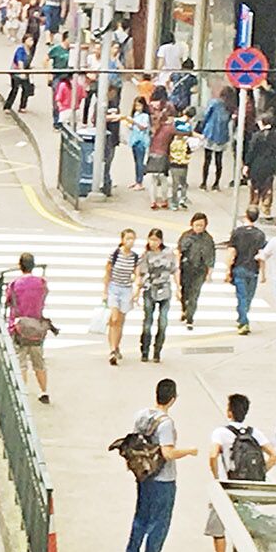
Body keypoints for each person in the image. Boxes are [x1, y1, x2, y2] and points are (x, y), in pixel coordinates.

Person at [123, 379, 195, 552]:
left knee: (141, 516)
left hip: (144, 474)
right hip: (163, 478)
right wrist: (189, 451)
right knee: (160, 521)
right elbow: (168, 453)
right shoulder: (166, 423)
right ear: (173, 399)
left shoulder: (142, 415)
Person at [206, 394, 275, 552]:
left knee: (218, 526)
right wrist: (261, 473)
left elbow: (213, 455)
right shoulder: (254, 433)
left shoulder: (220, 432)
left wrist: (216, 475)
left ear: (229, 412)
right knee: (247, 527)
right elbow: (274, 455)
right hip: (248, 487)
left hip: (227, 484)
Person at [4, 253, 53, 404]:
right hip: (36, 326)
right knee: (39, 361)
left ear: (20, 266)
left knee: (21, 362)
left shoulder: (15, 284)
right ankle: (44, 391)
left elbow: (8, 301)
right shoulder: (41, 283)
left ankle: (22, 395)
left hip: (19, 327)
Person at [136, 228, 176, 363]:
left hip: (165, 290)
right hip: (149, 289)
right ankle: (145, 350)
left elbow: (174, 270)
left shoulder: (169, 253)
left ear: (161, 240)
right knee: (148, 321)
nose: (153, 243)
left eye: (156, 240)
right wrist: (139, 286)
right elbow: (141, 273)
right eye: (151, 239)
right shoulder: (146, 255)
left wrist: (179, 288)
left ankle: (157, 350)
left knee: (163, 322)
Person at [226, 208, 268, 335]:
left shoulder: (237, 233)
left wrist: (228, 270)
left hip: (239, 267)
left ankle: (243, 321)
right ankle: (243, 318)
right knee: (248, 296)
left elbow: (232, 252)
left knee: (242, 296)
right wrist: (263, 273)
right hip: (253, 269)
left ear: (246, 216)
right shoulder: (260, 235)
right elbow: (261, 255)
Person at [104, 228, 141, 367]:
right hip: (114, 288)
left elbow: (137, 275)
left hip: (126, 289)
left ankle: (116, 346)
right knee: (114, 319)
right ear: (122, 240)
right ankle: (112, 350)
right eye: (128, 238)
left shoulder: (135, 257)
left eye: (132, 239)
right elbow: (107, 273)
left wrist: (137, 289)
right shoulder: (114, 255)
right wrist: (105, 291)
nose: (130, 241)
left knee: (120, 321)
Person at [177, 213, 215, 329]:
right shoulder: (186, 236)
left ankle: (190, 317)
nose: (199, 228)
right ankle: (184, 308)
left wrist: (209, 273)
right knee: (185, 291)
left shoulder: (208, 239)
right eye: (197, 225)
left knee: (194, 293)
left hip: (200, 270)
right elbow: (179, 251)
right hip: (186, 268)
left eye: (201, 225)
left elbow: (211, 256)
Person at [246, 112, 276, 215]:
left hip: (257, 164)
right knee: (267, 186)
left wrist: (247, 164)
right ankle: (266, 208)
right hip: (270, 164)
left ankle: (254, 206)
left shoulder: (257, 136)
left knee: (255, 186)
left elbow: (251, 151)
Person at [198, 90, 233, 190]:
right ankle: (216, 183)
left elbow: (206, 115)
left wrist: (202, 127)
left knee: (207, 159)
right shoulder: (230, 107)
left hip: (211, 133)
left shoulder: (214, 103)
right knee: (219, 161)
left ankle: (204, 183)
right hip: (222, 136)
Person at [145, 107, 176, 209]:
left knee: (152, 180)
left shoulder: (153, 129)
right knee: (163, 179)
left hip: (152, 154)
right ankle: (164, 200)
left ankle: (153, 201)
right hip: (163, 155)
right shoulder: (169, 129)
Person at [167, 119, 192, 210]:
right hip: (184, 165)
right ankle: (182, 199)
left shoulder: (172, 143)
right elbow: (189, 152)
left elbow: (168, 153)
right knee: (183, 183)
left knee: (175, 184)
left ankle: (174, 202)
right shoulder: (186, 144)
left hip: (174, 165)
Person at [7, 38, 36, 112]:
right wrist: (22, 71)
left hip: (26, 72)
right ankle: (7, 107)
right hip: (16, 72)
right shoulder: (20, 49)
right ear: (25, 41)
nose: (31, 42)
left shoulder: (30, 51)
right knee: (14, 90)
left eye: (32, 40)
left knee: (26, 89)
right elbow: (20, 61)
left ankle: (23, 106)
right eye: (29, 40)